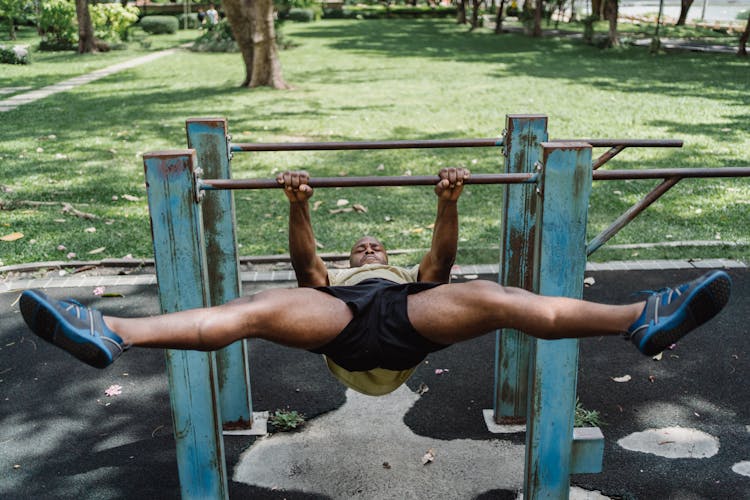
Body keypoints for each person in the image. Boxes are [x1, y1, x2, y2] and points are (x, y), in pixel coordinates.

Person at [19, 168, 732, 396]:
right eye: (360, 240)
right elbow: (307, 271)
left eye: (373, 241)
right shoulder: (330, 281)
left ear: (382, 251)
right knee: (258, 308)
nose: (368, 242)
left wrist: (447, 204)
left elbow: (440, 271)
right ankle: (110, 330)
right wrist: (298, 206)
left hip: (405, 322)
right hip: (342, 331)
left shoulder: (406, 276)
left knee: (496, 299)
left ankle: (639, 316)